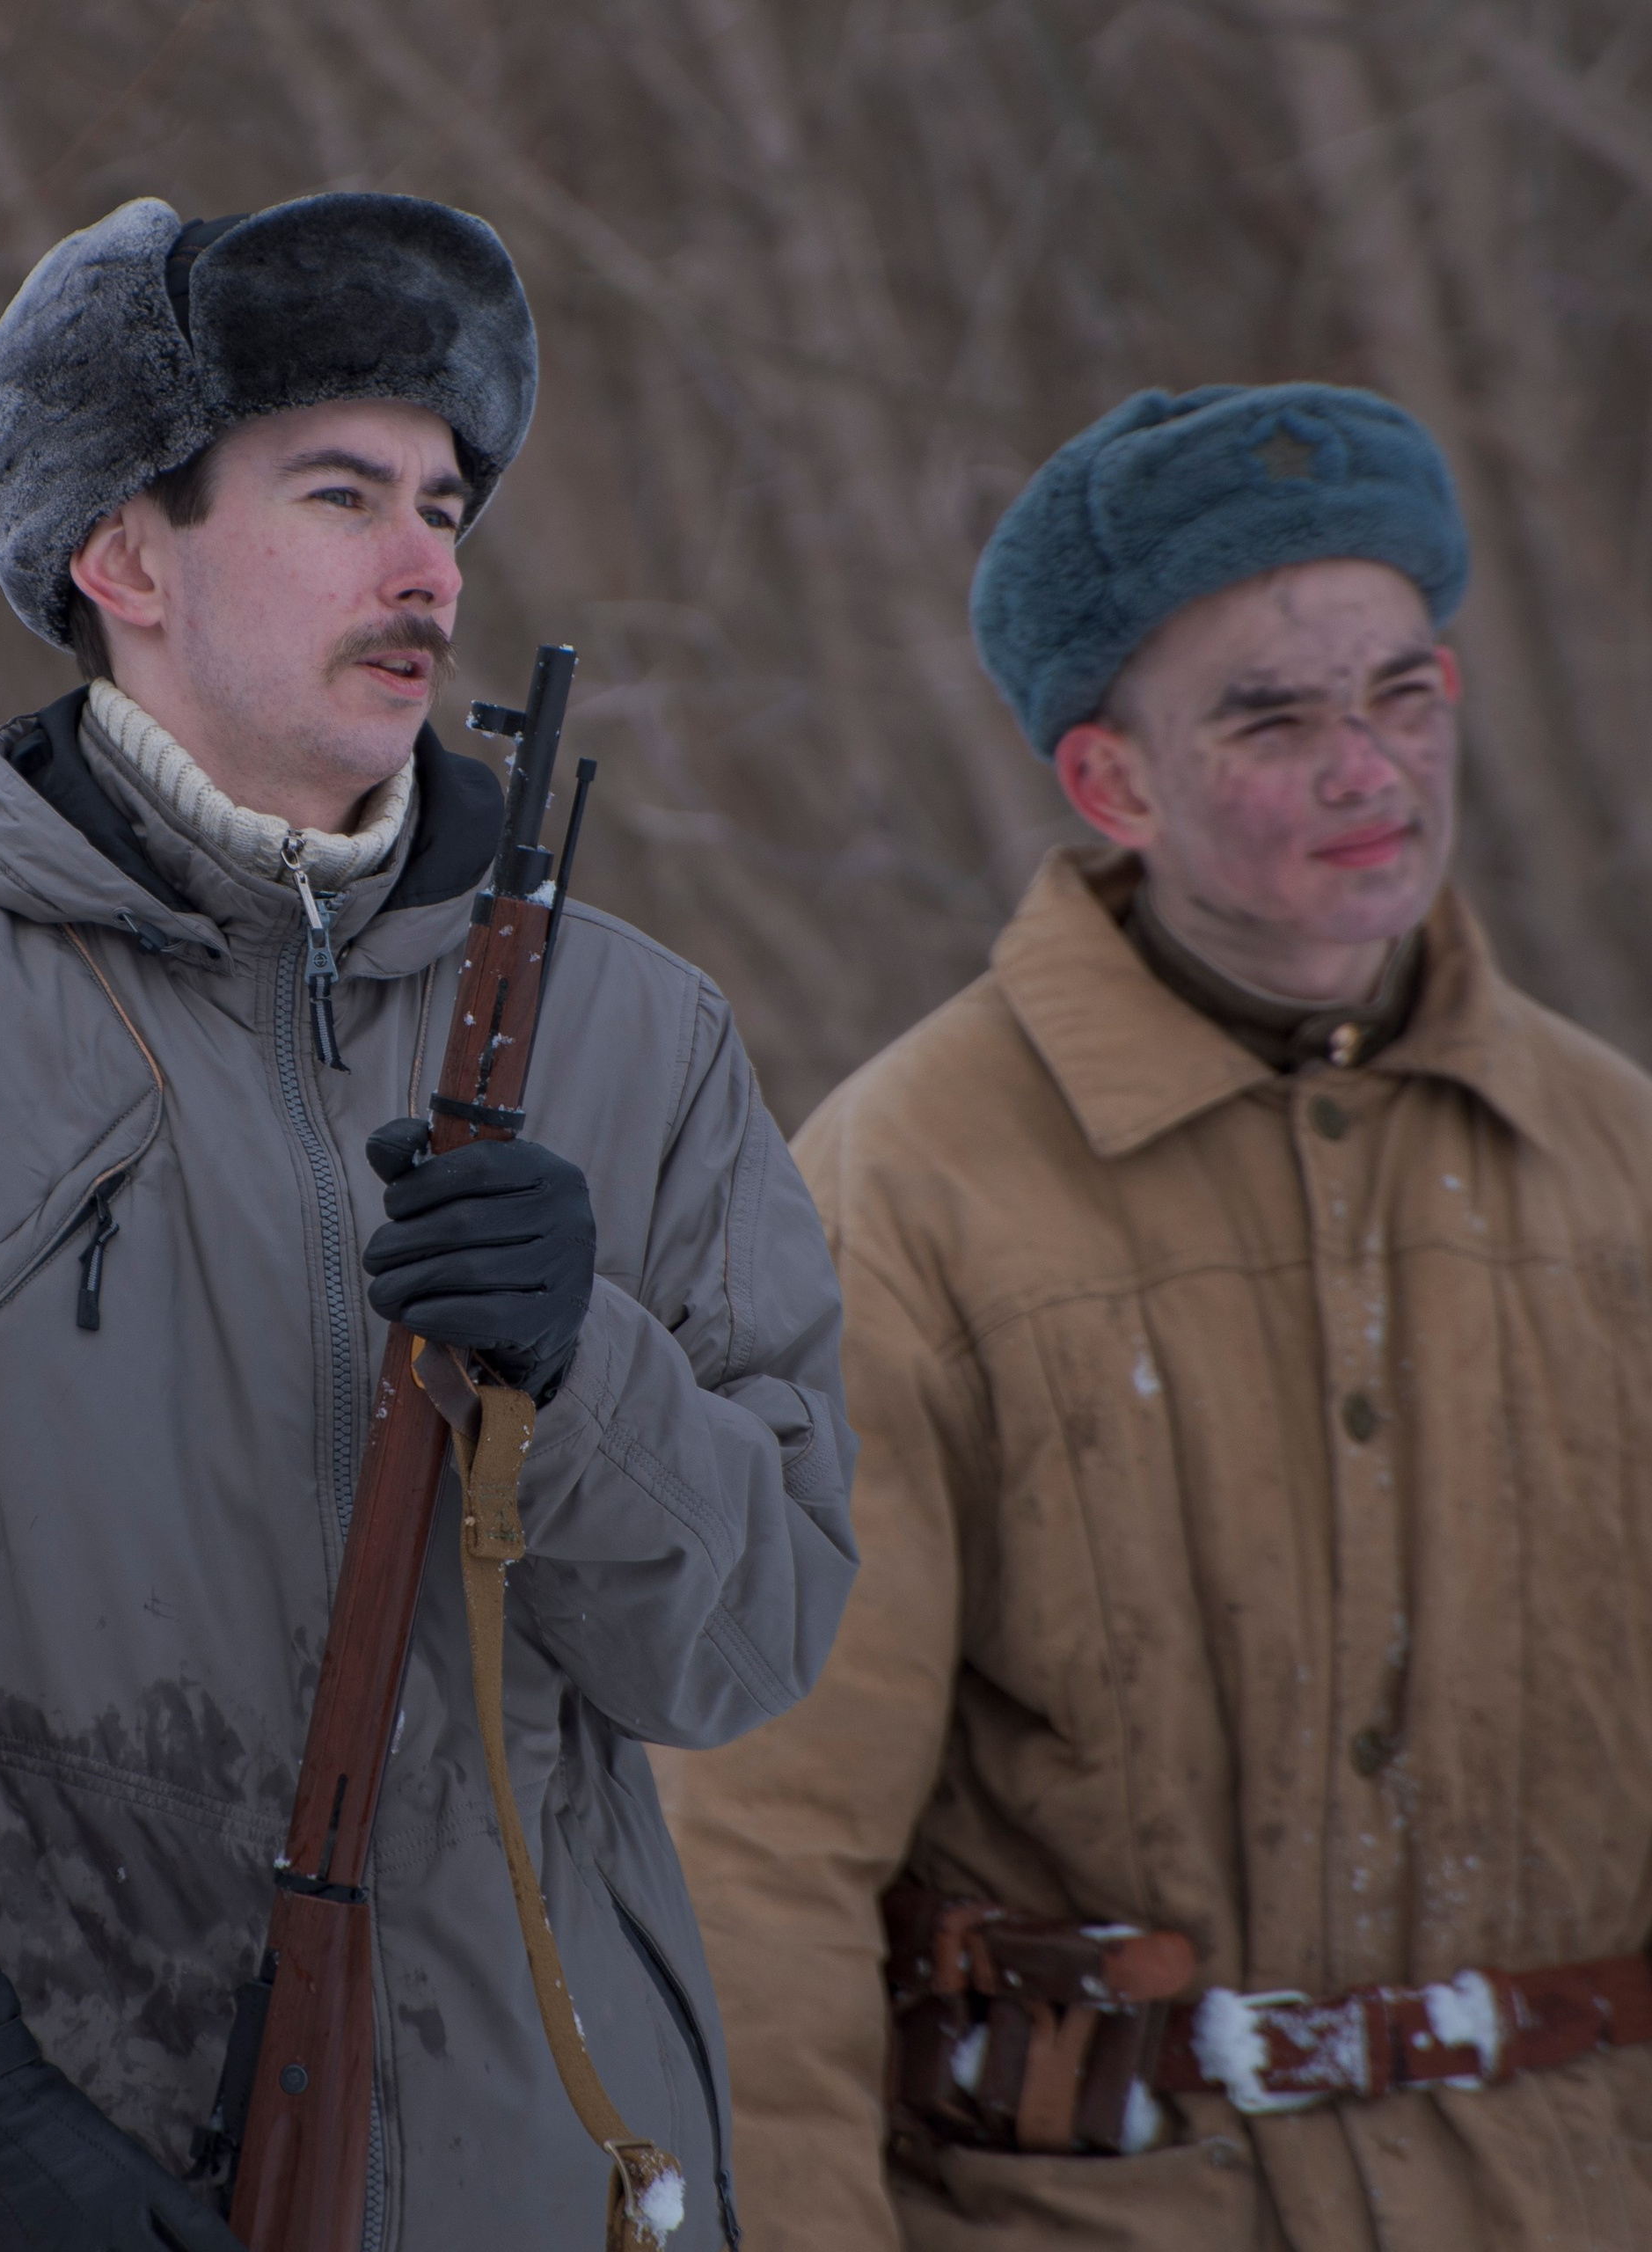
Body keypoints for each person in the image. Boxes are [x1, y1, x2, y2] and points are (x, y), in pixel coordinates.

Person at [0, 192, 857, 2252]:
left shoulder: (638, 1036)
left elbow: (745, 1640)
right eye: (339, 492)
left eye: (442, 503)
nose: (427, 565)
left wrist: (584, 1379)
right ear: (120, 554)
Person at [662, 381, 1652, 2248]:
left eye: (1401, 693)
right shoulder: (900, 1191)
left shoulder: (1616, 1171)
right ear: (1108, 779)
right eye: (1273, 717)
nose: (1368, 768)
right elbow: (754, 1855)